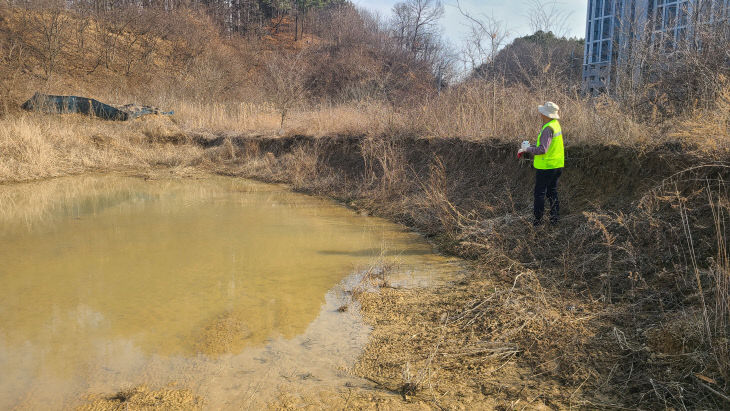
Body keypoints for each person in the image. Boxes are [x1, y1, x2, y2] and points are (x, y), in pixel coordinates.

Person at [518, 102, 564, 226]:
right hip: (557, 166)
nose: (540, 114)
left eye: (542, 112)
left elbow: (542, 149)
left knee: (540, 194)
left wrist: (527, 149)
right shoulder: (555, 125)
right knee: (552, 192)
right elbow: (547, 146)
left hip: (546, 167)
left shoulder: (547, 128)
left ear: (546, 114)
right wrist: (530, 147)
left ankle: (537, 222)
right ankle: (555, 219)